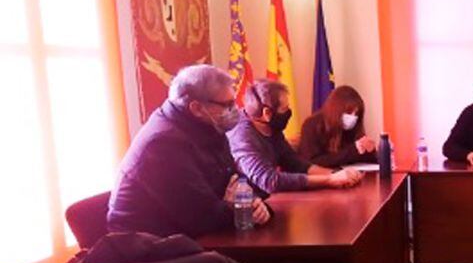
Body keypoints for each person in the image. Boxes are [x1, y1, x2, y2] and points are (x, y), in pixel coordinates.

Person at [107, 64, 271, 237]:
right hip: (147, 246)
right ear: (197, 108)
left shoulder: (210, 126)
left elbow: (236, 182)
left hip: (189, 235)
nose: (235, 111)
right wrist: (239, 208)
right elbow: (202, 219)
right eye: (227, 105)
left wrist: (255, 204)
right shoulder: (162, 144)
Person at [229, 79, 362, 193]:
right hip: (246, 209)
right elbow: (270, 181)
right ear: (267, 113)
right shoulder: (242, 137)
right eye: (284, 109)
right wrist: (329, 180)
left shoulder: (271, 127)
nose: (288, 112)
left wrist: (335, 174)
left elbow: (294, 163)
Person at [297, 85, 378, 167]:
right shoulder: (312, 125)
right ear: (336, 109)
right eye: (349, 112)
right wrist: (353, 150)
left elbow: (360, 159)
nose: (353, 117)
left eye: (356, 113)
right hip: (322, 177)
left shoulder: (353, 128)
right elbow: (313, 162)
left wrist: (372, 152)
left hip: (350, 176)